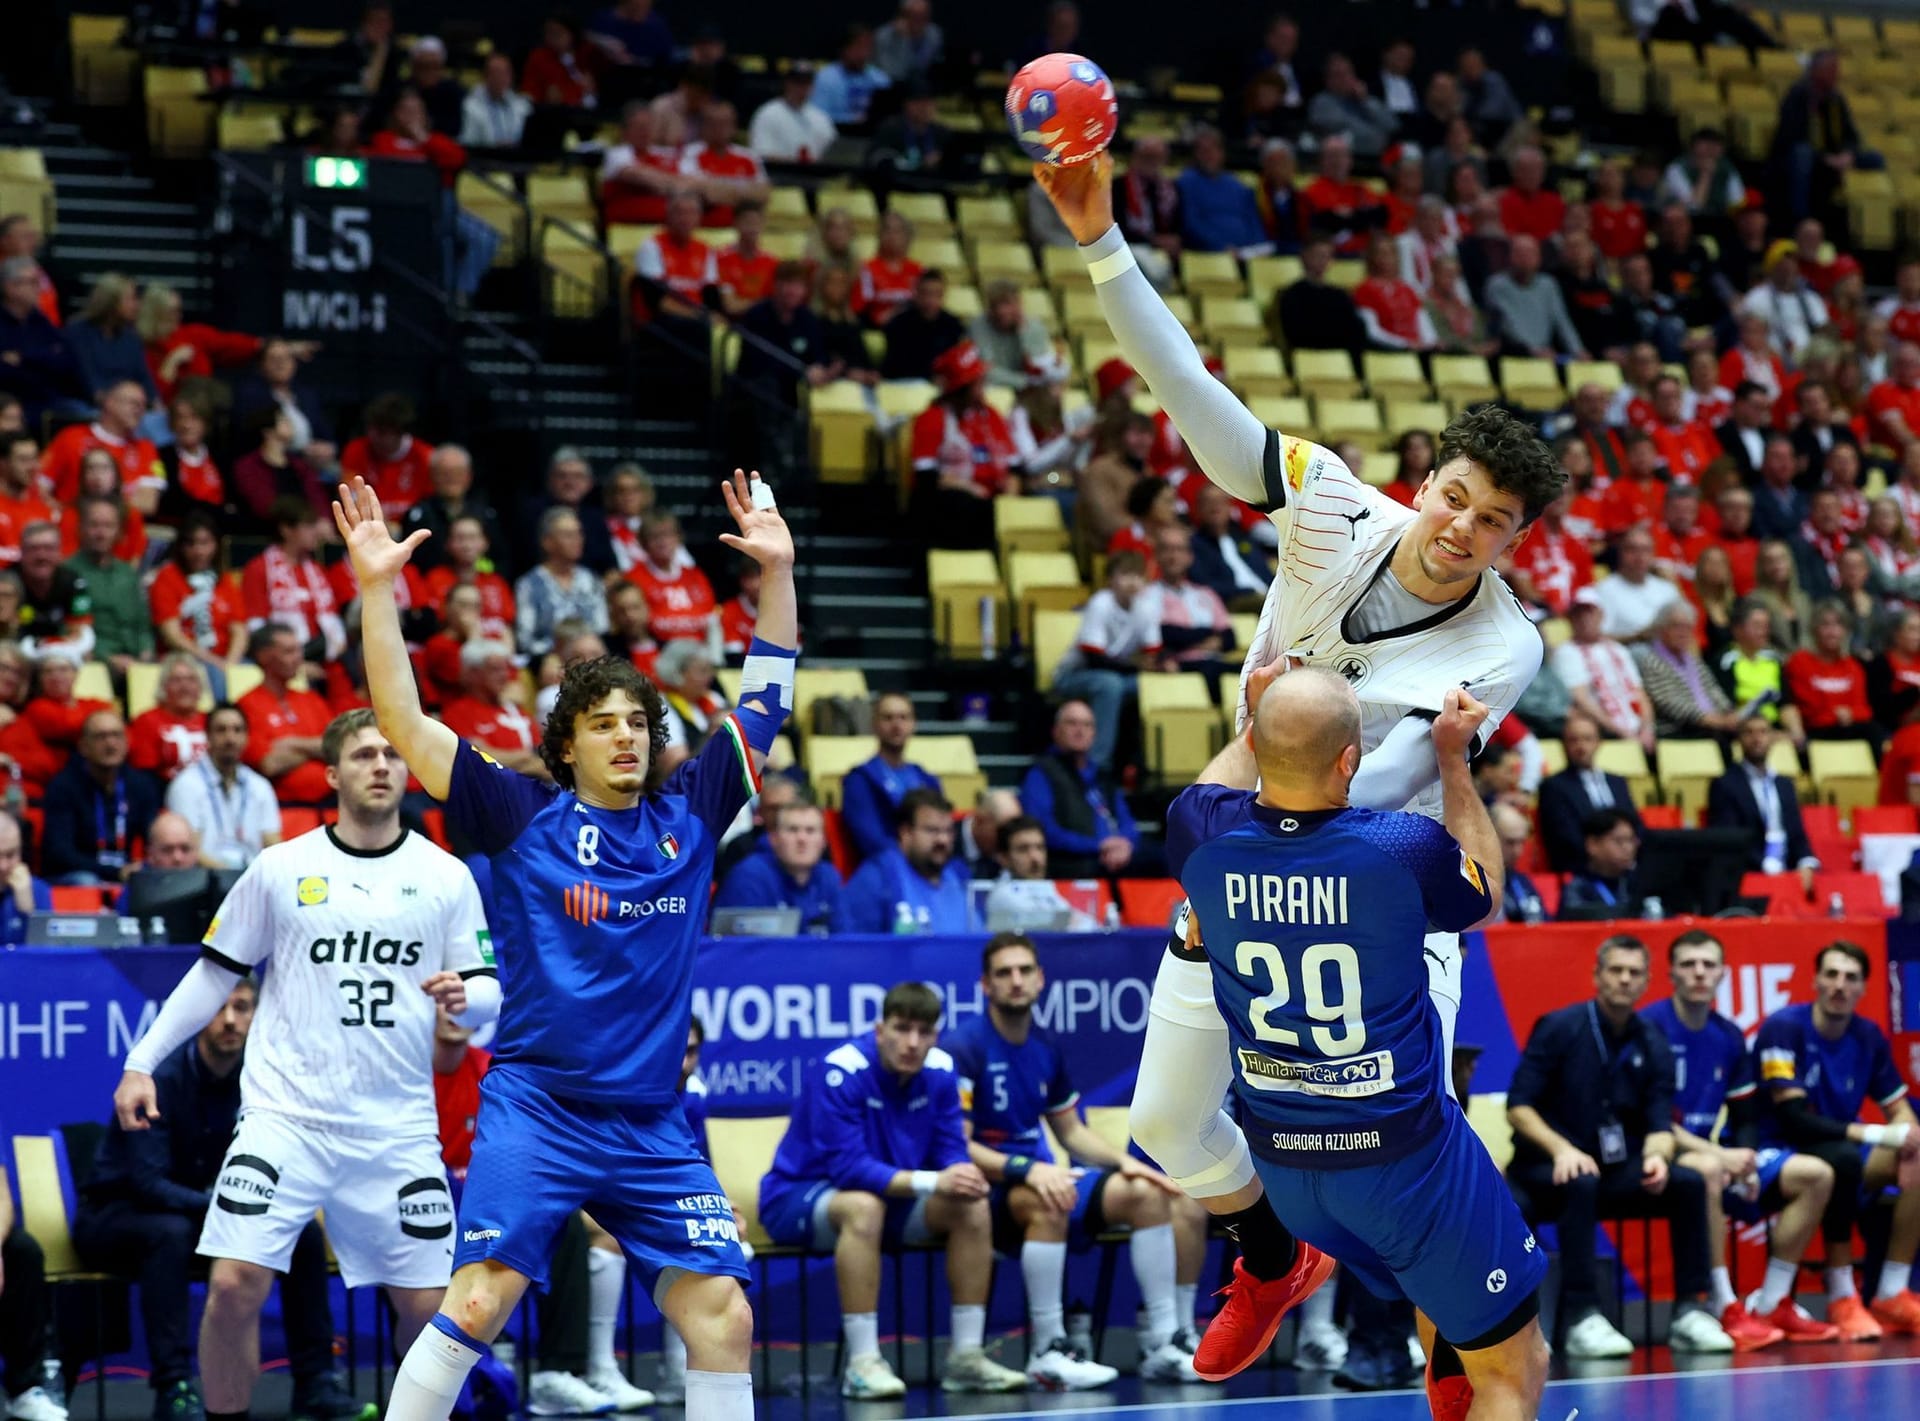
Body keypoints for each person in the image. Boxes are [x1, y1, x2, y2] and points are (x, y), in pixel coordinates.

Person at [1036, 150, 1568, 1381]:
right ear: (1423, 479)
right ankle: (1271, 1256)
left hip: (1382, 885)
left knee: (1417, 1151)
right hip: (1248, 862)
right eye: (1452, 495)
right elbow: (1187, 388)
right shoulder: (1327, 501)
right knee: (1162, 1120)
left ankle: (1463, 1358)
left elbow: (1355, 761)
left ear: (1514, 542)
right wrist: (1104, 242)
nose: (1459, 529)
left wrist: (1264, 718)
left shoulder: (1508, 641)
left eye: (1492, 521)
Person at [345, 468, 796, 1421]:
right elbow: (403, 724)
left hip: (650, 1124)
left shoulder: (694, 811)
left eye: (637, 722)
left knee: (724, 1318)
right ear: (567, 745)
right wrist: (377, 589)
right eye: (603, 725)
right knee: (476, 1302)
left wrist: (779, 573)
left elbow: (765, 704)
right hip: (539, 1109)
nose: (626, 737)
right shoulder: (520, 814)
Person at [1165, 667, 1548, 1416]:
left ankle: (1437, 1343)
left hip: (1287, 1172)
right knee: (1516, 1366)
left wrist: (1257, 721)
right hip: (1404, 1163)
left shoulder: (1201, 833)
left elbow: (1208, 793)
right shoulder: (1400, 846)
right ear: (1350, 761)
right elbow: (1485, 894)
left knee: (1450, 1311)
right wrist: (1451, 760)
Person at [110, 708, 501, 1421]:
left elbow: (487, 993)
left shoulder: (445, 876)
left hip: (395, 1125)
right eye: (362, 755)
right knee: (232, 1283)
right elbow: (212, 973)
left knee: (426, 1306)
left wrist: (467, 997)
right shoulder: (282, 867)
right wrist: (142, 1061)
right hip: (284, 1117)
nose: (381, 764)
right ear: (331, 775)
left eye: (390, 753)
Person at [77, 975, 373, 1421]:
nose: (231, 1020)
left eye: (243, 1007)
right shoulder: (160, 1078)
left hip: (206, 1213)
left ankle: (316, 1382)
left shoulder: (264, 1080)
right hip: (119, 1215)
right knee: (169, 1234)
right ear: (199, 1015)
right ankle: (173, 1387)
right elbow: (148, 1183)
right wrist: (234, 1206)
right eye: (220, 1008)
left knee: (303, 1234)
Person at [948, 934, 1198, 1388]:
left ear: (1041, 979)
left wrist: (1127, 1164)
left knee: (1144, 1194)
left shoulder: (1045, 1046)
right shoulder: (964, 1047)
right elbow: (959, 1145)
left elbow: (1071, 1132)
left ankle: (1162, 1344)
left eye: (1025, 971)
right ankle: (1048, 1349)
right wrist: (1027, 1169)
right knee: (1052, 1198)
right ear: (985, 985)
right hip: (990, 1189)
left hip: (1046, 1176)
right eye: (1004, 973)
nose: (1016, 981)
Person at [757, 982, 1027, 1398]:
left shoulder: (940, 1071)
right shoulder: (840, 1070)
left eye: (923, 1033)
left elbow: (951, 1149)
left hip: (892, 1201)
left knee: (971, 1206)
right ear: (880, 1029)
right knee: (863, 1208)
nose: (912, 1043)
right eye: (901, 1029)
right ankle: (863, 1364)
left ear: (935, 1036)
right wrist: (935, 1181)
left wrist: (962, 1176)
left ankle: (966, 1358)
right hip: (798, 1197)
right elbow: (849, 1170)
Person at [1506, 935, 1735, 1356]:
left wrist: (1656, 1157)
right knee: (1581, 1180)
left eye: (1634, 973)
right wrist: (1561, 1150)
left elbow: (1660, 1121)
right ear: (1597, 976)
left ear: (1647, 981)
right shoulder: (1560, 1027)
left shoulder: (1652, 1039)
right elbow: (1519, 1107)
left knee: (1687, 1183)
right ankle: (1582, 1316)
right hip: (1546, 1167)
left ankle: (1690, 1311)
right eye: (1616, 970)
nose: (1625, 980)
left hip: (1615, 1168)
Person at [1642, 930, 1843, 1347]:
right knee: (1712, 1169)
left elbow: (1746, 1112)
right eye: (1689, 965)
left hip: (1713, 1152)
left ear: (1722, 974)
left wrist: (1748, 1158)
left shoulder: (1729, 1036)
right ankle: (1724, 1303)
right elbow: (1650, 1117)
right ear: (1671, 973)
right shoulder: (1649, 1027)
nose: (1699, 973)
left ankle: (1772, 1301)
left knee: (1817, 1174)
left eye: (1708, 965)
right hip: (1658, 1150)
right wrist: (1722, 1155)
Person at [1748, 941, 1920, 1336]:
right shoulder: (1784, 1028)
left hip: (1842, 1145)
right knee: (1840, 1160)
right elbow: (1793, 1119)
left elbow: (1899, 1108)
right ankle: (1842, 1295)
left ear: (1862, 988)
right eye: (1831, 975)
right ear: (1815, 980)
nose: (1840, 986)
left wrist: (1911, 1139)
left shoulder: (1867, 1036)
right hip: (1778, 1149)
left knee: (1916, 1154)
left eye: (1851, 978)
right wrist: (1877, 1132)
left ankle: (1892, 1292)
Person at [1019, 699, 1147, 879]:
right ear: (1056, 731)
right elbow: (1043, 831)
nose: (1080, 731)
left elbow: (1127, 821)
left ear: (1093, 734)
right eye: (1072, 723)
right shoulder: (1041, 774)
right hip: (1074, 858)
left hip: (1113, 855)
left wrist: (1126, 844)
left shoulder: (1103, 776)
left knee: (1164, 859)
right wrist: (1097, 845)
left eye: (1087, 725)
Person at [42, 710, 161, 885]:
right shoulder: (63, 787)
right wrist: (114, 872)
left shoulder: (141, 785)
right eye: (101, 737)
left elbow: (153, 838)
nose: (110, 743)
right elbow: (59, 854)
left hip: (124, 871)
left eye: (117, 735)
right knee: (87, 881)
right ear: (83, 746)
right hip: (77, 874)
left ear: (127, 743)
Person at [833, 787, 973, 933]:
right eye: (932, 830)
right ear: (905, 833)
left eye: (948, 831)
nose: (943, 840)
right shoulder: (876, 880)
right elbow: (854, 948)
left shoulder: (959, 877)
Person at [1707, 713, 1820, 885]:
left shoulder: (1784, 784)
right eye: (1749, 733)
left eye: (1763, 732)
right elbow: (1729, 838)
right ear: (1739, 739)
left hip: (1788, 870)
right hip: (1750, 872)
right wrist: (1765, 865)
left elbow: (1797, 832)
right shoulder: (1725, 784)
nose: (1757, 739)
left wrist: (1806, 861)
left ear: (1772, 737)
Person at [166, 703, 280, 870]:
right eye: (221, 730)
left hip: (254, 880)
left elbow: (272, 842)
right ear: (207, 736)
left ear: (247, 737)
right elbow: (190, 851)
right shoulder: (186, 785)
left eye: (237, 730)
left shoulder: (260, 786)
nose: (230, 738)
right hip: (205, 881)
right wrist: (233, 878)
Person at [236, 624, 335, 805]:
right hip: (282, 808)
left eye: (299, 650)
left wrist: (291, 743)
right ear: (264, 656)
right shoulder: (247, 704)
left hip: (329, 803)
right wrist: (315, 750)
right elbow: (270, 764)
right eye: (289, 652)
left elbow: (336, 747)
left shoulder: (312, 699)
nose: (298, 658)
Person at [709, 797, 839, 933]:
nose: (802, 839)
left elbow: (846, 941)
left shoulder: (829, 876)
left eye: (810, 830)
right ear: (773, 838)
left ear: (824, 841)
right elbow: (740, 948)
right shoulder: (749, 877)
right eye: (793, 830)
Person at [840, 692, 941, 862]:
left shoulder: (927, 779)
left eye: (904, 717)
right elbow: (870, 841)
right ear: (874, 724)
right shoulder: (859, 780)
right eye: (888, 718)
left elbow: (942, 830)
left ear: (913, 724)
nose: (897, 724)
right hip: (885, 871)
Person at [1551, 587, 1655, 748]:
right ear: (1570, 619)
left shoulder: (1618, 649)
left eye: (1590, 612)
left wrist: (1647, 728)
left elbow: (1639, 692)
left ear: (1601, 615)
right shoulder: (1567, 652)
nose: (1585, 618)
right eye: (1579, 613)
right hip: (1604, 732)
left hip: (1636, 729)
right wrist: (1621, 732)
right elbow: (1581, 700)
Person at [515, 508, 608, 658]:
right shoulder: (529, 584)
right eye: (568, 535)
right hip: (549, 660)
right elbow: (525, 640)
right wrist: (558, 651)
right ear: (547, 542)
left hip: (591, 658)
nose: (577, 540)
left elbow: (602, 628)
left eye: (579, 533)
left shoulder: (591, 580)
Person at [128, 654, 209, 782]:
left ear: (200, 687)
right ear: (163, 687)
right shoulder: (146, 721)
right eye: (176, 680)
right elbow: (144, 774)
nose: (185, 687)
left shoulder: (211, 721)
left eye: (191, 680)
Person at [1557, 809, 1643, 919]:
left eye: (1631, 840)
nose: (1628, 848)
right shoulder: (1578, 887)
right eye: (1619, 841)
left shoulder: (1636, 883)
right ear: (1592, 844)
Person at [746, 64, 836, 164]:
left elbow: (831, 154)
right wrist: (796, 163)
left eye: (806, 83)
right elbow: (761, 155)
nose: (802, 88)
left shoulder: (821, 118)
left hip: (814, 176)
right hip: (777, 175)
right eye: (797, 82)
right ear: (787, 83)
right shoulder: (768, 113)